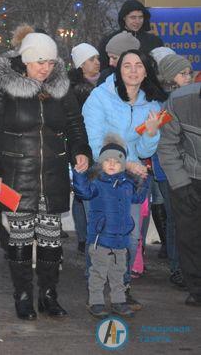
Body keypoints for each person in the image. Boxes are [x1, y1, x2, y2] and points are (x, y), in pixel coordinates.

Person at [0, 25, 91, 321]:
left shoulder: (61, 86)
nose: (46, 68)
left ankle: (48, 294)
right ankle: (23, 295)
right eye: (40, 62)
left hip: (53, 173)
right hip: (17, 173)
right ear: (26, 60)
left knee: (51, 239)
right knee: (19, 239)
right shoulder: (3, 85)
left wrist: (80, 150)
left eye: (51, 62)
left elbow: (74, 123)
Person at [82, 49, 165, 311]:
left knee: (128, 237)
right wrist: (125, 163)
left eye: (138, 65)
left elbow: (145, 151)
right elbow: (96, 144)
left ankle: (121, 290)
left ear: (146, 70)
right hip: (101, 176)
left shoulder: (152, 104)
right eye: (126, 65)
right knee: (99, 237)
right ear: (118, 70)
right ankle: (95, 293)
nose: (132, 70)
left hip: (132, 180)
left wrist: (151, 134)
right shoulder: (100, 97)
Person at [73, 133, 150, 318]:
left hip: (121, 240)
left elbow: (138, 198)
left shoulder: (127, 185)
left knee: (118, 273)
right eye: (107, 160)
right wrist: (79, 174)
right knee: (98, 273)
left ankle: (118, 301)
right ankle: (96, 302)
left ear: (123, 164)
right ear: (101, 162)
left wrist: (144, 181)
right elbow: (82, 192)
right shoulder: (96, 184)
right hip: (100, 239)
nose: (112, 163)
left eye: (117, 160)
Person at [157, 80, 201, 306]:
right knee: (189, 237)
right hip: (189, 177)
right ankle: (196, 289)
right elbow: (166, 144)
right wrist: (180, 183)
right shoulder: (178, 101)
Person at [154, 53, 194, 288]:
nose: (188, 78)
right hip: (168, 170)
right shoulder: (165, 105)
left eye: (189, 73)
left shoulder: (188, 100)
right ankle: (178, 267)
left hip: (188, 169)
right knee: (176, 220)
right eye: (182, 74)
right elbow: (156, 137)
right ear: (169, 77)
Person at [67, 42, 101, 253]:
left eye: (97, 58)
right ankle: (84, 235)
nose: (97, 63)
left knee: (90, 190)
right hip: (80, 146)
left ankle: (89, 234)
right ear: (81, 64)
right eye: (91, 59)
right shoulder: (75, 89)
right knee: (82, 191)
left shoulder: (103, 83)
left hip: (98, 144)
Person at [97, 0, 163, 72]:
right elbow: (103, 69)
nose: (137, 21)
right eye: (133, 17)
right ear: (124, 18)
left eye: (140, 17)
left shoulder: (154, 41)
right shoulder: (109, 40)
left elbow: (160, 68)